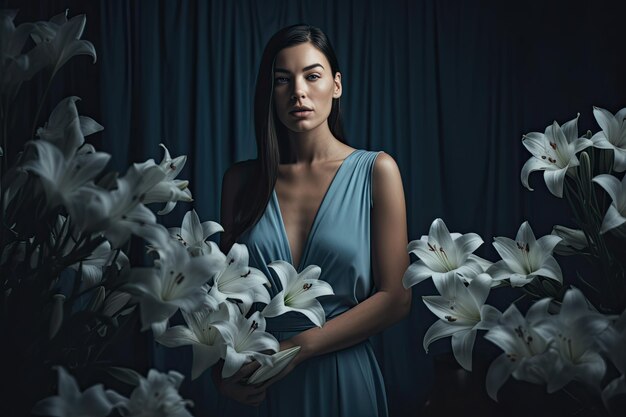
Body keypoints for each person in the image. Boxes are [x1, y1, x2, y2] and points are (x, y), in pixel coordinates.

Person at [213, 23, 411, 417]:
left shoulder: (377, 171)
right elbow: (224, 298)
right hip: (260, 384)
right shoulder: (240, 182)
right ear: (269, 93)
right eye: (282, 80)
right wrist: (223, 372)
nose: (298, 92)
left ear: (336, 85)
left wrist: (293, 350)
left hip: (342, 379)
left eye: (312, 76)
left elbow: (396, 298)